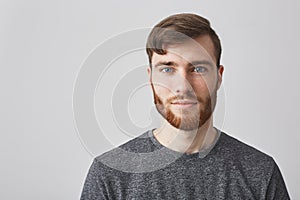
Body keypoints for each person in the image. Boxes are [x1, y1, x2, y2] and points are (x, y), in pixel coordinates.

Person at [80, 13, 290, 199]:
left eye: (198, 68)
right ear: (150, 77)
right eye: (167, 69)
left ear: (218, 77)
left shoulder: (260, 172)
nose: (183, 86)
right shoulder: (109, 174)